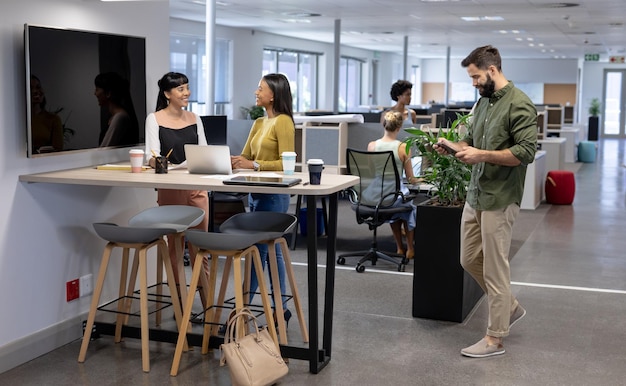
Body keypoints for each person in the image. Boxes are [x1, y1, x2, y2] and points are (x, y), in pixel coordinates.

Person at [434, 45, 537, 358]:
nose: (474, 83)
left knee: (495, 268)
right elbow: (473, 142)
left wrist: (482, 155)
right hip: (476, 194)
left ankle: (495, 338)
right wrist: (455, 146)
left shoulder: (520, 104)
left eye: (476, 76)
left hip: (500, 197)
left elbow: (526, 152)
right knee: (468, 258)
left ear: (492, 70)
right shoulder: (483, 104)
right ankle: (510, 306)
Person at [230, 73, 295, 327]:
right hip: (256, 195)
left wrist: (255, 165)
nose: (256, 92)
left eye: (260, 89)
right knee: (257, 253)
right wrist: (235, 161)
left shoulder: (284, 122)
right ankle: (248, 308)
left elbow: (288, 163)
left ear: (274, 94)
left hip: (275, 195)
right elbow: (245, 156)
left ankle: (276, 308)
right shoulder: (258, 123)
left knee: (270, 251)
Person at [144, 72, 209, 294]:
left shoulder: (194, 118)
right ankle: (180, 304)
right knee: (175, 248)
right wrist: (160, 161)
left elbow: (204, 153)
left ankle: (207, 302)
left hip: (197, 187)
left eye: (187, 88)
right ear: (167, 94)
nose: (186, 93)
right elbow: (150, 157)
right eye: (181, 89)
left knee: (201, 246)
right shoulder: (154, 119)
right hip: (171, 188)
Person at [368, 110, 418, 260]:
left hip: (375, 194)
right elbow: (410, 178)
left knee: (394, 208)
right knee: (408, 208)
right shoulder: (403, 147)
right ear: (399, 127)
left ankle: (398, 247)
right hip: (394, 192)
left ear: (384, 125)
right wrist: (424, 180)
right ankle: (410, 248)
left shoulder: (371, 146)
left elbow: (371, 172)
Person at [94, 72, 140, 147]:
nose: (95, 93)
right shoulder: (115, 116)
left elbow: (104, 149)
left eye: (97, 89)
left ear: (108, 93)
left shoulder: (120, 117)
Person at [30, 75, 64, 153]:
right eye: (31, 88)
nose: (35, 91)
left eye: (38, 87)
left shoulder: (53, 119)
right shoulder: (15, 121)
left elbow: (58, 149)